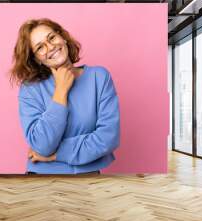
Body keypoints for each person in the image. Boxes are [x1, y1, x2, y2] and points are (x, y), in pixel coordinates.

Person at [10, 18, 120, 174]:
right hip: (42, 180)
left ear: (62, 37)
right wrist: (61, 91)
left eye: (52, 38)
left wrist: (54, 155)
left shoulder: (99, 77)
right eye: (40, 47)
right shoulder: (30, 89)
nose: (50, 47)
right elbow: (42, 145)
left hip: (89, 177)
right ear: (36, 59)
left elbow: (108, 138)